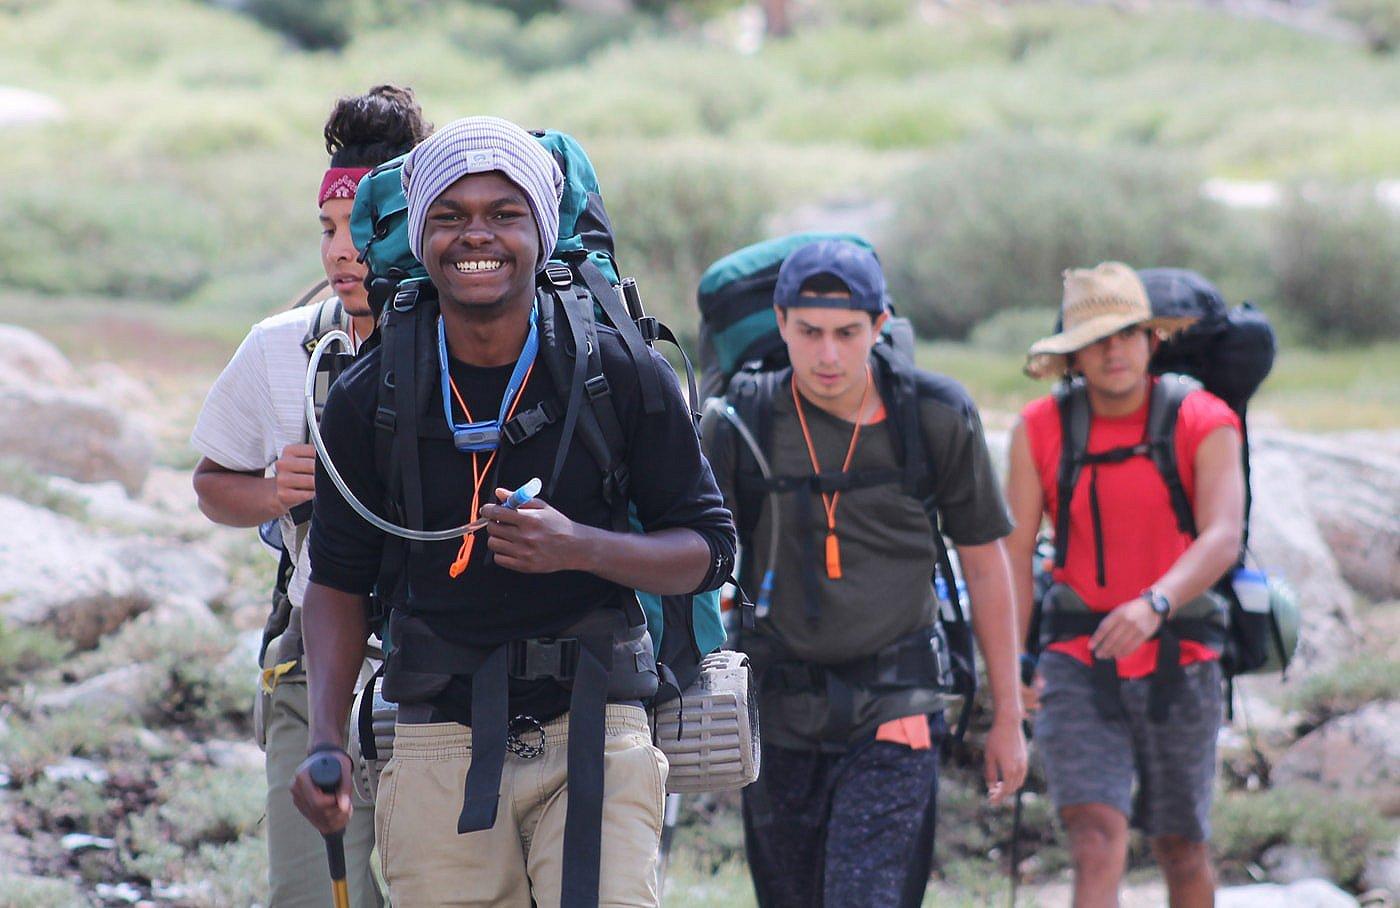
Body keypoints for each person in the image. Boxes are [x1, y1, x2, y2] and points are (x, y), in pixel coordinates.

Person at [288, 116, 736, 908]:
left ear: (542, 227)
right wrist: (324, 743)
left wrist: (583, 548)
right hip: (436, 736)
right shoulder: (372, 393)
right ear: (421, 234)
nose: (477, 236)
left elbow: (708, 547)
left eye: (505, 214)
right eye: (451, 216)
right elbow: (336, 581)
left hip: (600, 726)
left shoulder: (617, 369)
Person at [700, 239, 1027, 907]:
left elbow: (987, 566)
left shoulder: (934, 414)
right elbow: (695, 562)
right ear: (780, 321)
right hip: (777, 712)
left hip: (896, 707)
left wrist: (1008, 717)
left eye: (848, 333)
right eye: (809, 332)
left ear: (879, 327)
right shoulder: (741, 421)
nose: (828, 354)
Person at [191, 84, 431, 907]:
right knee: (311, 895)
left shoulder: (472, 344)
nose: (342, 250)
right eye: (327, 228)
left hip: (446, 676)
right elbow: (211, 485)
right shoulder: (275, 349)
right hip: (308, 673)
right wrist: (267, 491)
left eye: (364, 228)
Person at [1005, 262, 1245, 908]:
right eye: (1097, 337)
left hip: (1181, 660)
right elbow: (1014, 554)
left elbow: (1224, 535)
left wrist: (1154, 603)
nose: (1114, 350)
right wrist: (1010, 670)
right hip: (1077, 659)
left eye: (1128, 333)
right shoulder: (1037, 430)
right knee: (1094, 836)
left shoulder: (1205, 418)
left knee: (1181, 846)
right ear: (1072, 354)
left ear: (1152, 339)